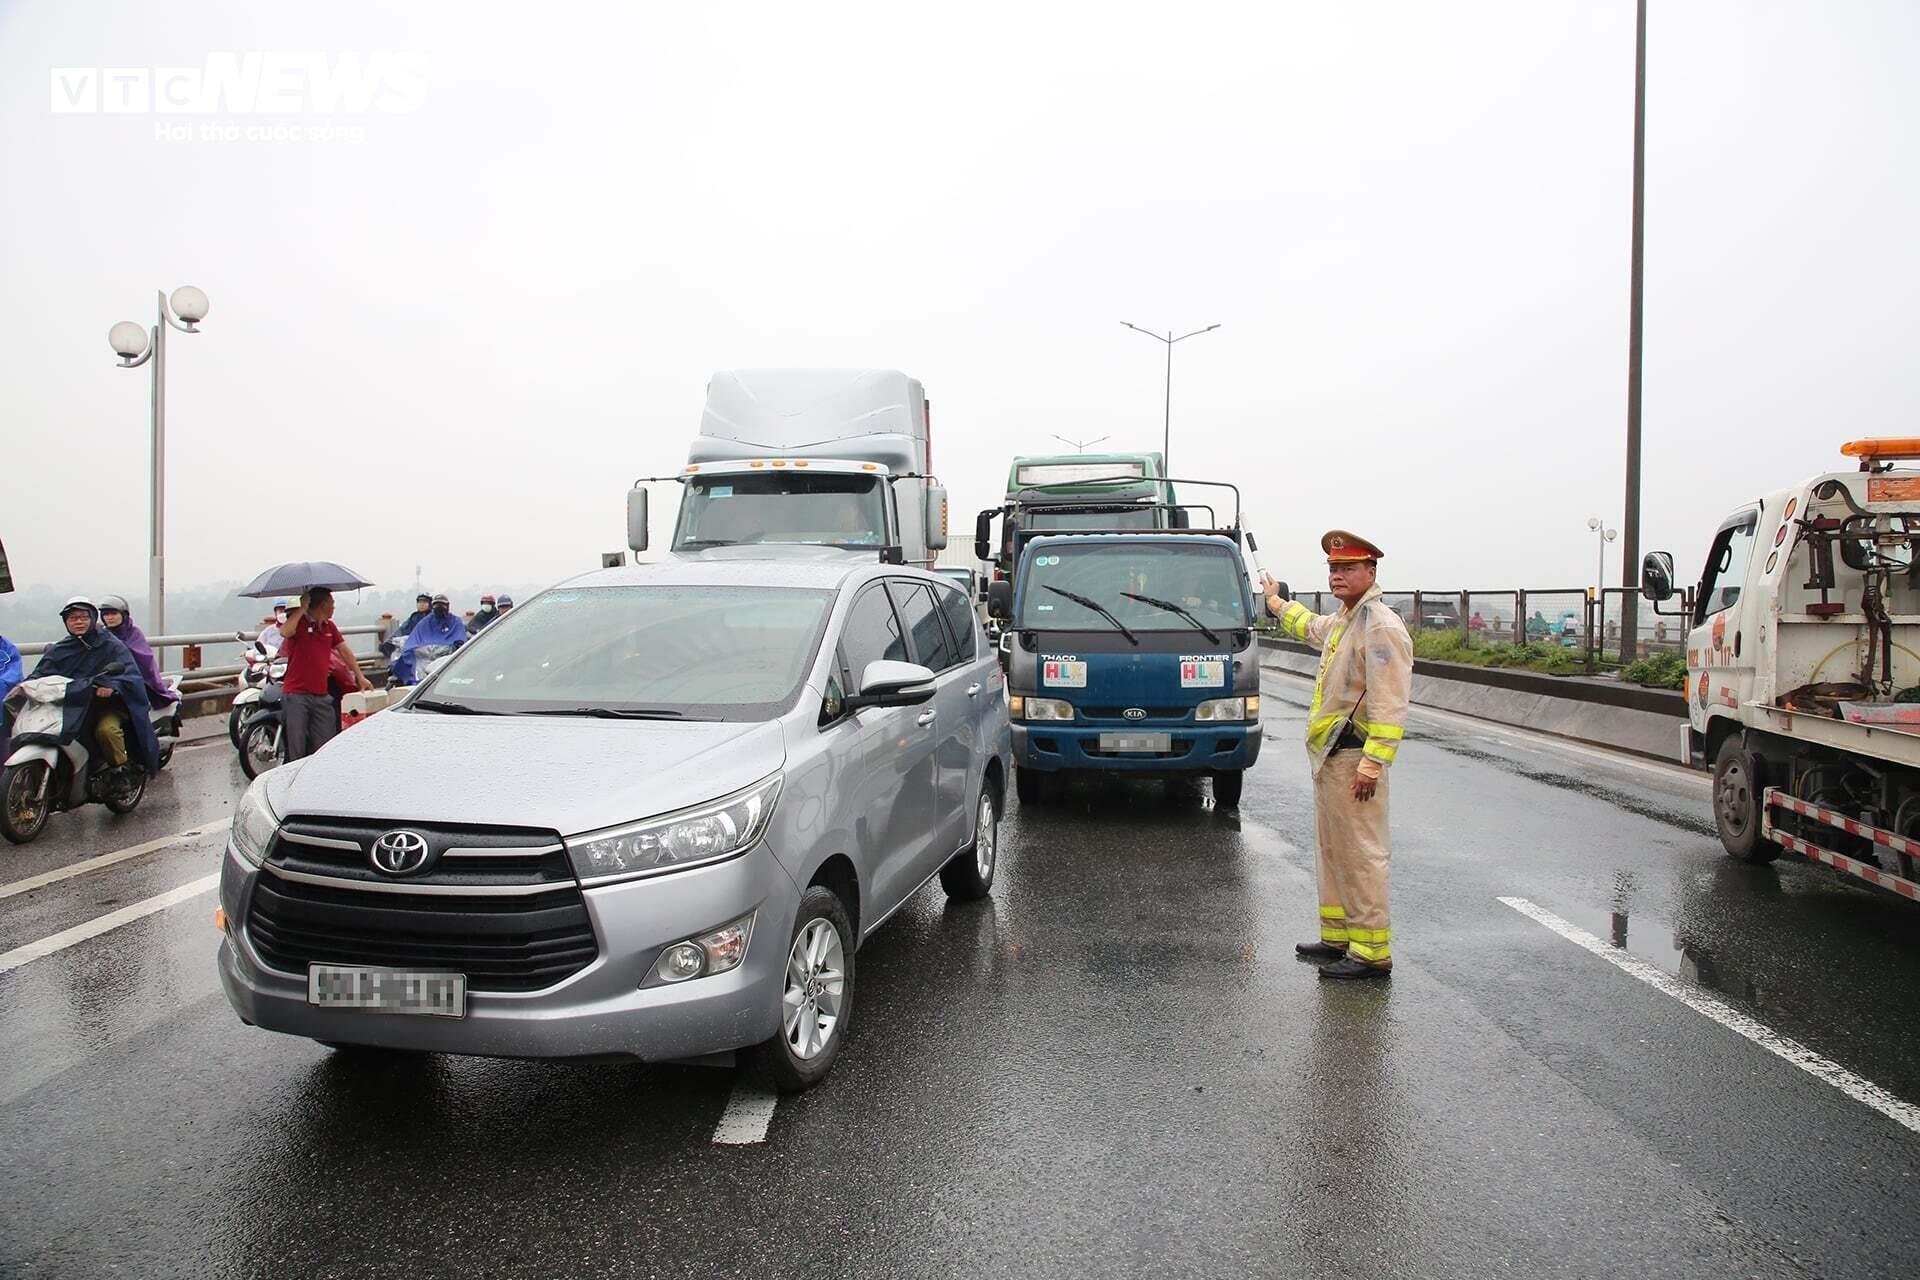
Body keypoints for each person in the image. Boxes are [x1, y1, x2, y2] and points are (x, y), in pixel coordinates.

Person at [1262, 531, 1413, 981]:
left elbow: (1390, 701)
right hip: (1332, 759)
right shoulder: (1348, 620)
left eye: (1347, 568)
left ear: (1371, 573)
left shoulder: (1380, 625)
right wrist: (1276, 603)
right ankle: (1339, 938)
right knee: (1334, 852)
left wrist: (1373, 763)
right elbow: (1310, 626)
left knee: (1362, 855)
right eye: (1332, 569)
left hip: (1354, 760)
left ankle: (1370, 954)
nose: (1337, 576)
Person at [29, 598, 159, 776]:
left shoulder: (111, 645)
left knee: (106, 731)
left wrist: (111, 686)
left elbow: (129, 673)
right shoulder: (61, 648)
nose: (79, 622)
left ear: (92, 618)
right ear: (66, 622)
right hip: (73, 704)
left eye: (83, 617)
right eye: (73, 618)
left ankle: (119, 771)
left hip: (106, 705)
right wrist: (28, 685)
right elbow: (43, 671)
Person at [278, 588, 371, 760]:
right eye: (331, 603)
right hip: (297, 695)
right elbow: (285, 632)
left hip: (321, 695)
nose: (334, 607)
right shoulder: (299, 623)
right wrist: (302, 608)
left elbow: (344, 650)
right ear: (322, 605)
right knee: (297, 747)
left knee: (325, 746)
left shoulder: (330, 627)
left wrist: (359, 675)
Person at [98, 594, 183, 709]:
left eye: (114, 613)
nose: (109, 617)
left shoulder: (133, 634)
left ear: (124, 615)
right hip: (106, 684)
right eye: (106, 614)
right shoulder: (101, 636)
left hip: (135, 684)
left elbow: (143, 661)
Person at [396, 592, 470, 684]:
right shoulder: (423, 621)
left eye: (442, 605)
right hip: (424, 656)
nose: (439, 607)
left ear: (447, 606)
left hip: (446, 657)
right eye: (436, 605)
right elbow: (413, 639)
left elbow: (460, 638)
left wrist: (455, 646)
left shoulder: (455, 621)